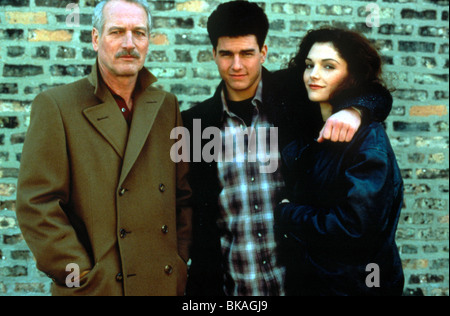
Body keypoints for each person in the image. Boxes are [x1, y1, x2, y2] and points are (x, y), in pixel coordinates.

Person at [182, 1, 392, 296]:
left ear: (263, 52)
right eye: (227, 54)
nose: (237, 65)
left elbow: (374, 91)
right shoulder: (195, 124)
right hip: (234, 289)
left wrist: (355, 110)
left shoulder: (298, 93)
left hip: (302, 284)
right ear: (213, 54)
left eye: (247, 53)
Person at [16, 0, 192, 296]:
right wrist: (81, 273)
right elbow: (37, 204)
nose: (129, 43)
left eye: (139, 32)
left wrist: (178, 262)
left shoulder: (166, 106)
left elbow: (182, 194)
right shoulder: (57, 106)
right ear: (96, 39)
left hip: (161, 284)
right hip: (100, 288)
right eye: (116, 32)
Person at [275, 27, 404, 296]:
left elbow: (354, 228)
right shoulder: (310, 124)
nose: (315, 75)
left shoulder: (367, 140)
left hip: (353, 288)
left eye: (329, 66)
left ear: (352, 75)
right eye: (309, 65)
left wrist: (288, 214)